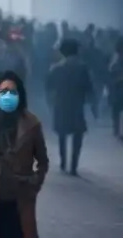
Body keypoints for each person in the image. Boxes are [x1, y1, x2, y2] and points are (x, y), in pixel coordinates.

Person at [0, 70, 48, 238]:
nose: (7, 96)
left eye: (12, 92)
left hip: (19, 195)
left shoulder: (31, 124)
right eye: (3, 92)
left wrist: (34, 183)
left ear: (20, 95)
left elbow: (43, 160)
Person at [45, 37, 95, 175]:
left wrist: (49, 104)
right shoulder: (83, 68)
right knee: (77, 135)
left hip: (60, 104)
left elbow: (49, 88)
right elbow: (89, 88)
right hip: (77, 105)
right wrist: (93, 105)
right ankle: (73, 166)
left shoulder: (56, 68)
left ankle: (63, 162)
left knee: (62, 134)